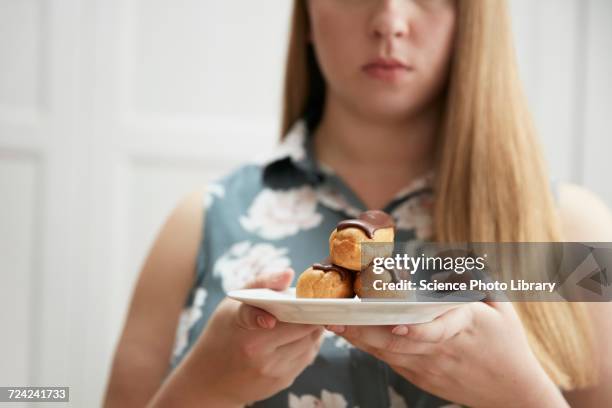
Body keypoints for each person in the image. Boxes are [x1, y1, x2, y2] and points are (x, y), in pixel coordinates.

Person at [103, 0, 612, 407]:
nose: (389, 21)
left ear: (473, 19)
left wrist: (523, 399)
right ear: (306, 14)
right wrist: (203, 392)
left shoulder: (572, 231)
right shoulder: (199, 224)